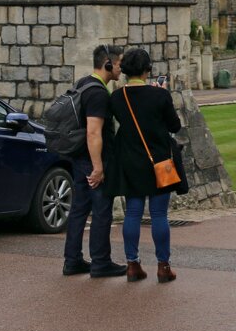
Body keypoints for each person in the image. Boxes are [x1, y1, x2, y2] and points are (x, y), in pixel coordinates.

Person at [109, 47, 183, 283]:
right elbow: (174, 126)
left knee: (133, 212)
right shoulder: (159, 95)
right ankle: (163, 266)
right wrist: (163, 94)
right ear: (146, 70)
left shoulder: (117, 97)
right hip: (159, 160)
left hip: (130, 160)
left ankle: (132, 264)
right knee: (159, 214)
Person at [62, 44, 127, 279]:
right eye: (120, 63)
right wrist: (98, 167)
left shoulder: (82, 83)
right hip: (93, 159)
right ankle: (101, 262)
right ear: (108, 64)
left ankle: (72, 260)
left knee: (79, 209)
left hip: (78, 157)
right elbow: (93, 132)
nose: (122, 68)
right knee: (101, 211)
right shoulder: (98, 93)